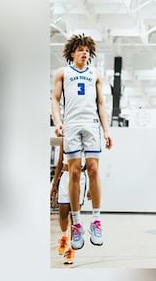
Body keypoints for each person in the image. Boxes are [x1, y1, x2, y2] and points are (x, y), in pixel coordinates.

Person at [50, 34, 113, 250]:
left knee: (94, 170)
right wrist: (57, 122)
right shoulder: (62, 73)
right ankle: (77, 224)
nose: (84, 52)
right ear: (72, 53)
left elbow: (102, 103)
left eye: (87, 49)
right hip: (72, 124)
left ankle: (96, 220)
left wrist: (106, 130)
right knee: (74, 172)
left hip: (92, 123)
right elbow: (56, 100)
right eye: (80, 49)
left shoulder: (95, 74)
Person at [50, 146, 88, 264]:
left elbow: (93, 165)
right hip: (65, 176)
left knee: (74, 216)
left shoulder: (87, 138)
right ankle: (64, 237)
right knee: (63, 213)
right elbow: (59, 163)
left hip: (80, 177)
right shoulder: (65, 138)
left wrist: (92, 186)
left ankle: (71, 249)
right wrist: (54, 184)